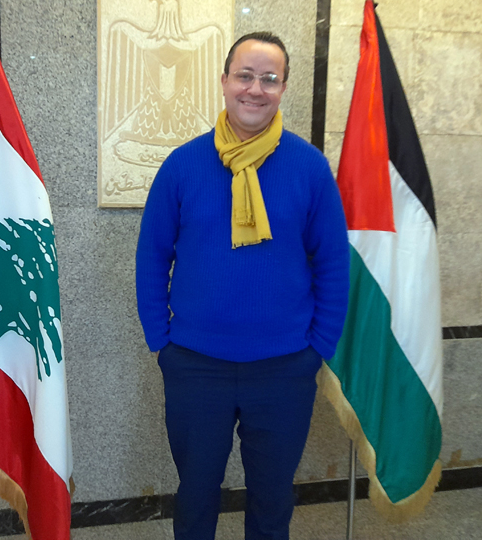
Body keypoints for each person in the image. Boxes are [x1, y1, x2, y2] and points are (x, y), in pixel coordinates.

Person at [135, 32, 350, 540]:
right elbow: (152, 257)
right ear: (224, 81)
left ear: (283, 88)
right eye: (245, 76)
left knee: (272, 500)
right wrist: (161, 341)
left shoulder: (309, 168)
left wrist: (317, 348)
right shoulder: (182, 165)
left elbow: (333, 264)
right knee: (196, 496)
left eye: (269, 79)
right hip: (195, 365)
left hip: (284, 368)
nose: (256, 89)